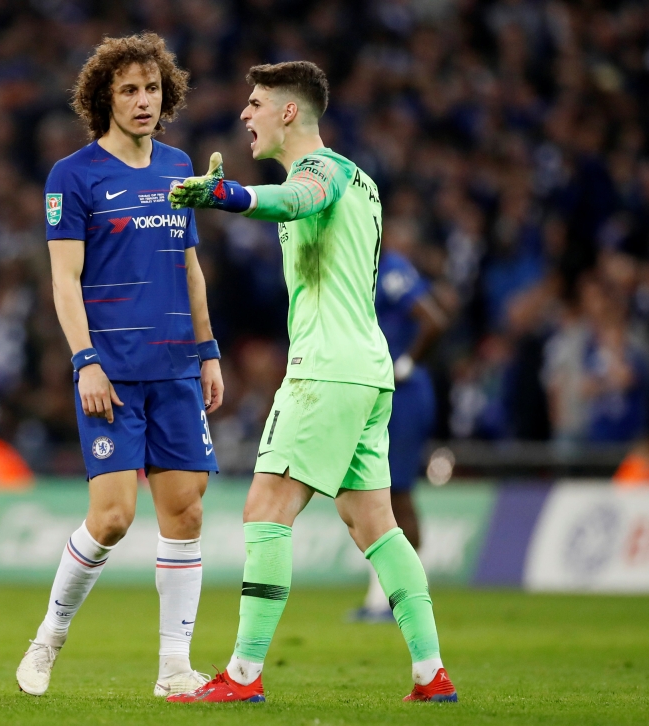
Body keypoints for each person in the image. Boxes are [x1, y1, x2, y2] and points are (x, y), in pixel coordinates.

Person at [167, 61, 456, 704]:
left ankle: (242, 675)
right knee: (376, 524)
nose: (245, 114)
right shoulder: (369, 186)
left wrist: (228, 196)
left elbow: (296, 200)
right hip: (368, 371)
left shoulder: (321, 171)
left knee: (265, 510)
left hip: (325, 370)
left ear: (288, 112)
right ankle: (430, 672)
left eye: (255, 103)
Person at [15, 33, 224, 699]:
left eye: (152, 88)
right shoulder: (73, 176)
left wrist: (208, 350)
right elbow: (64, 282)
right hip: (110, 372)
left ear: (167, 95)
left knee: (185, 513)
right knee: (111, 517)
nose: (142, 100)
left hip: (176, 370)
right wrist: (85, 362)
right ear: (104, 96)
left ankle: (174, 669)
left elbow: (190, 267)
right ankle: (49, 636)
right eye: (129, 89)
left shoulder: (179, 167)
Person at [354, 218, 448, 622]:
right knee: (380, 491)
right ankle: (386, 596)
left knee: (396, 491)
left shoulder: (390, 268)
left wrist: (404, 364)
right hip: (381, 391)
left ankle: (402, 598)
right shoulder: (365, 268)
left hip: (404, 394)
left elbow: (434, 319)